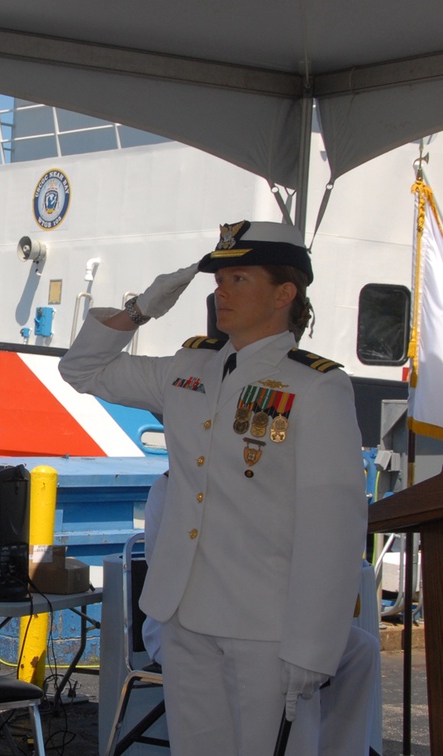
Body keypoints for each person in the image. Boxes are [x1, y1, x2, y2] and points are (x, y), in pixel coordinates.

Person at [60, 220, 367, 756]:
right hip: (184, 615)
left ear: (284, 292)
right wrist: (142, 307)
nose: (219, 291)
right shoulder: (189, 367)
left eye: (239, 278)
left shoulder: (316, 386)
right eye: (218, 278)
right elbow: (81, 368)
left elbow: (333, 527)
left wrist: (313, 647)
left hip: (267, 627)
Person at [141, 471, 380, 755]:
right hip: (183, 622)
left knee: (360, 649)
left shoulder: (250, 484)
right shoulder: (168, 488)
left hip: (263, 613)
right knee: (286, 654)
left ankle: (340, 749)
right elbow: (168, 571)